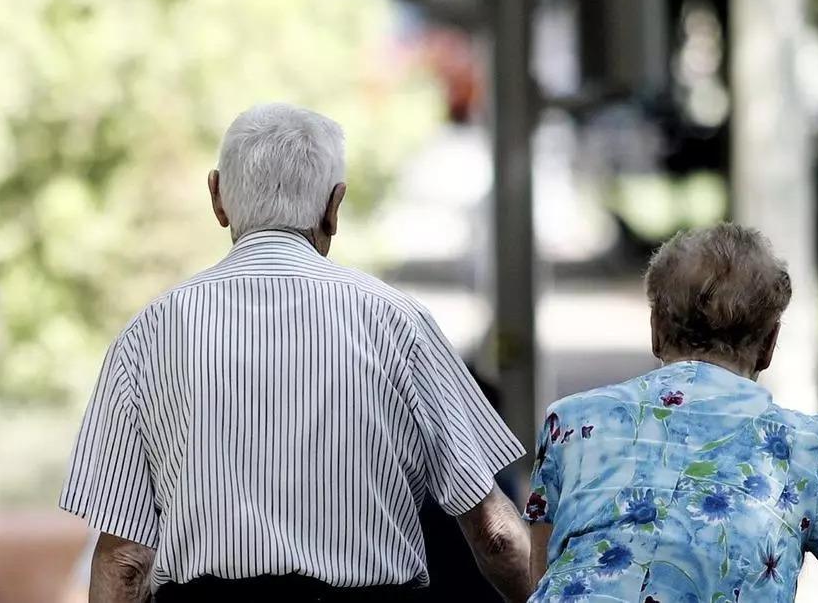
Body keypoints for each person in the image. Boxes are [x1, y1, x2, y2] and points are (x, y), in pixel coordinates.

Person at [59, 104, 532, 603]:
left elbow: (125, 561)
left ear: (217, 197)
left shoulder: (147, 335)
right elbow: (496, 536)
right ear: (334, 206)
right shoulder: (400, 325)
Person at [523, 225, 818, 602]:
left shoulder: (571, 423)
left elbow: (542, 576)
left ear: (656, 329)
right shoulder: (801, 444)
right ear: (769, 343)